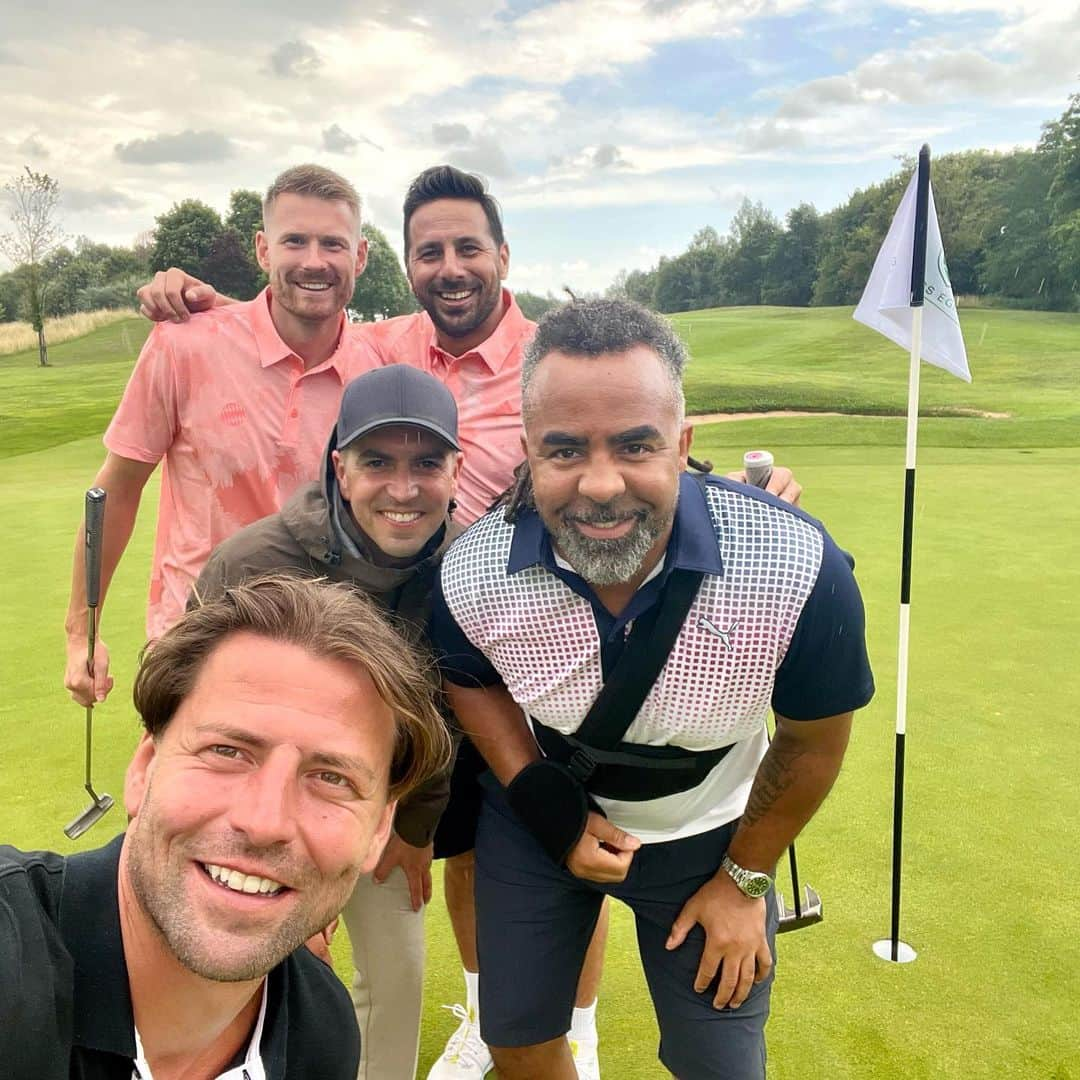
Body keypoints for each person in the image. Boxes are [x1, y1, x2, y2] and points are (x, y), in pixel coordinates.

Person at [132, 165, 803, 1080]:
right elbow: (292, 315)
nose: (450, 268)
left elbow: (628, 437)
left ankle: (574, 1028)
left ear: (502, 256)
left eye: (467, 249)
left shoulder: (550, 351)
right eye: (429, 252)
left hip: (529, 653)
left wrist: (735, 497)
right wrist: (197, 302)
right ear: (402, 265)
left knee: (554, 845)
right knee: (473, 867)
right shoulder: (383, 345)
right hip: (404, 649)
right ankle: (495, 1016)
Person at [431, 298, 875, 1080]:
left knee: (720, 1066)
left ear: (682, 445)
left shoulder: (798, 567)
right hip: (545, 829)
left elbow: (811, 742)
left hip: (716, 841)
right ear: (529, 452)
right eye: (564, 451)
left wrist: (745, 881)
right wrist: (540, 796)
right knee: (519, 1042)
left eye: (635, 445)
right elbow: (469, 678)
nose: (601, 486)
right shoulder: (471, 570)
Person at [5, 574, 451, 1079]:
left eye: (331, 779)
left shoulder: (319, 1033)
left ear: (378, 830)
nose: (264, 823)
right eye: (227, 752)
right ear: (144, 770)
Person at [194, 364, 465, 1080]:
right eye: (378, 462)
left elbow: (454, 713)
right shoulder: (250, 563)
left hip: (382, 813)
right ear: (340, 469)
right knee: (243, 979)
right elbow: (191, 710)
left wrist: (415, 830)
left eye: (425, 464)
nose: (403, 489)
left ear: (455, 469)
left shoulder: (471, 565)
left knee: (399, 976)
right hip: (255, 816)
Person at [64, 163, 376, 709]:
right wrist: (79, 632)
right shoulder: (183, 345)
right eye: (294, 241)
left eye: (333, 243)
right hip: (193, 642)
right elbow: (118, 487)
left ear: (361, 256)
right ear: (262, 249)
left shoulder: (378, 372)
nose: (313, 260)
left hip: (322, 653)